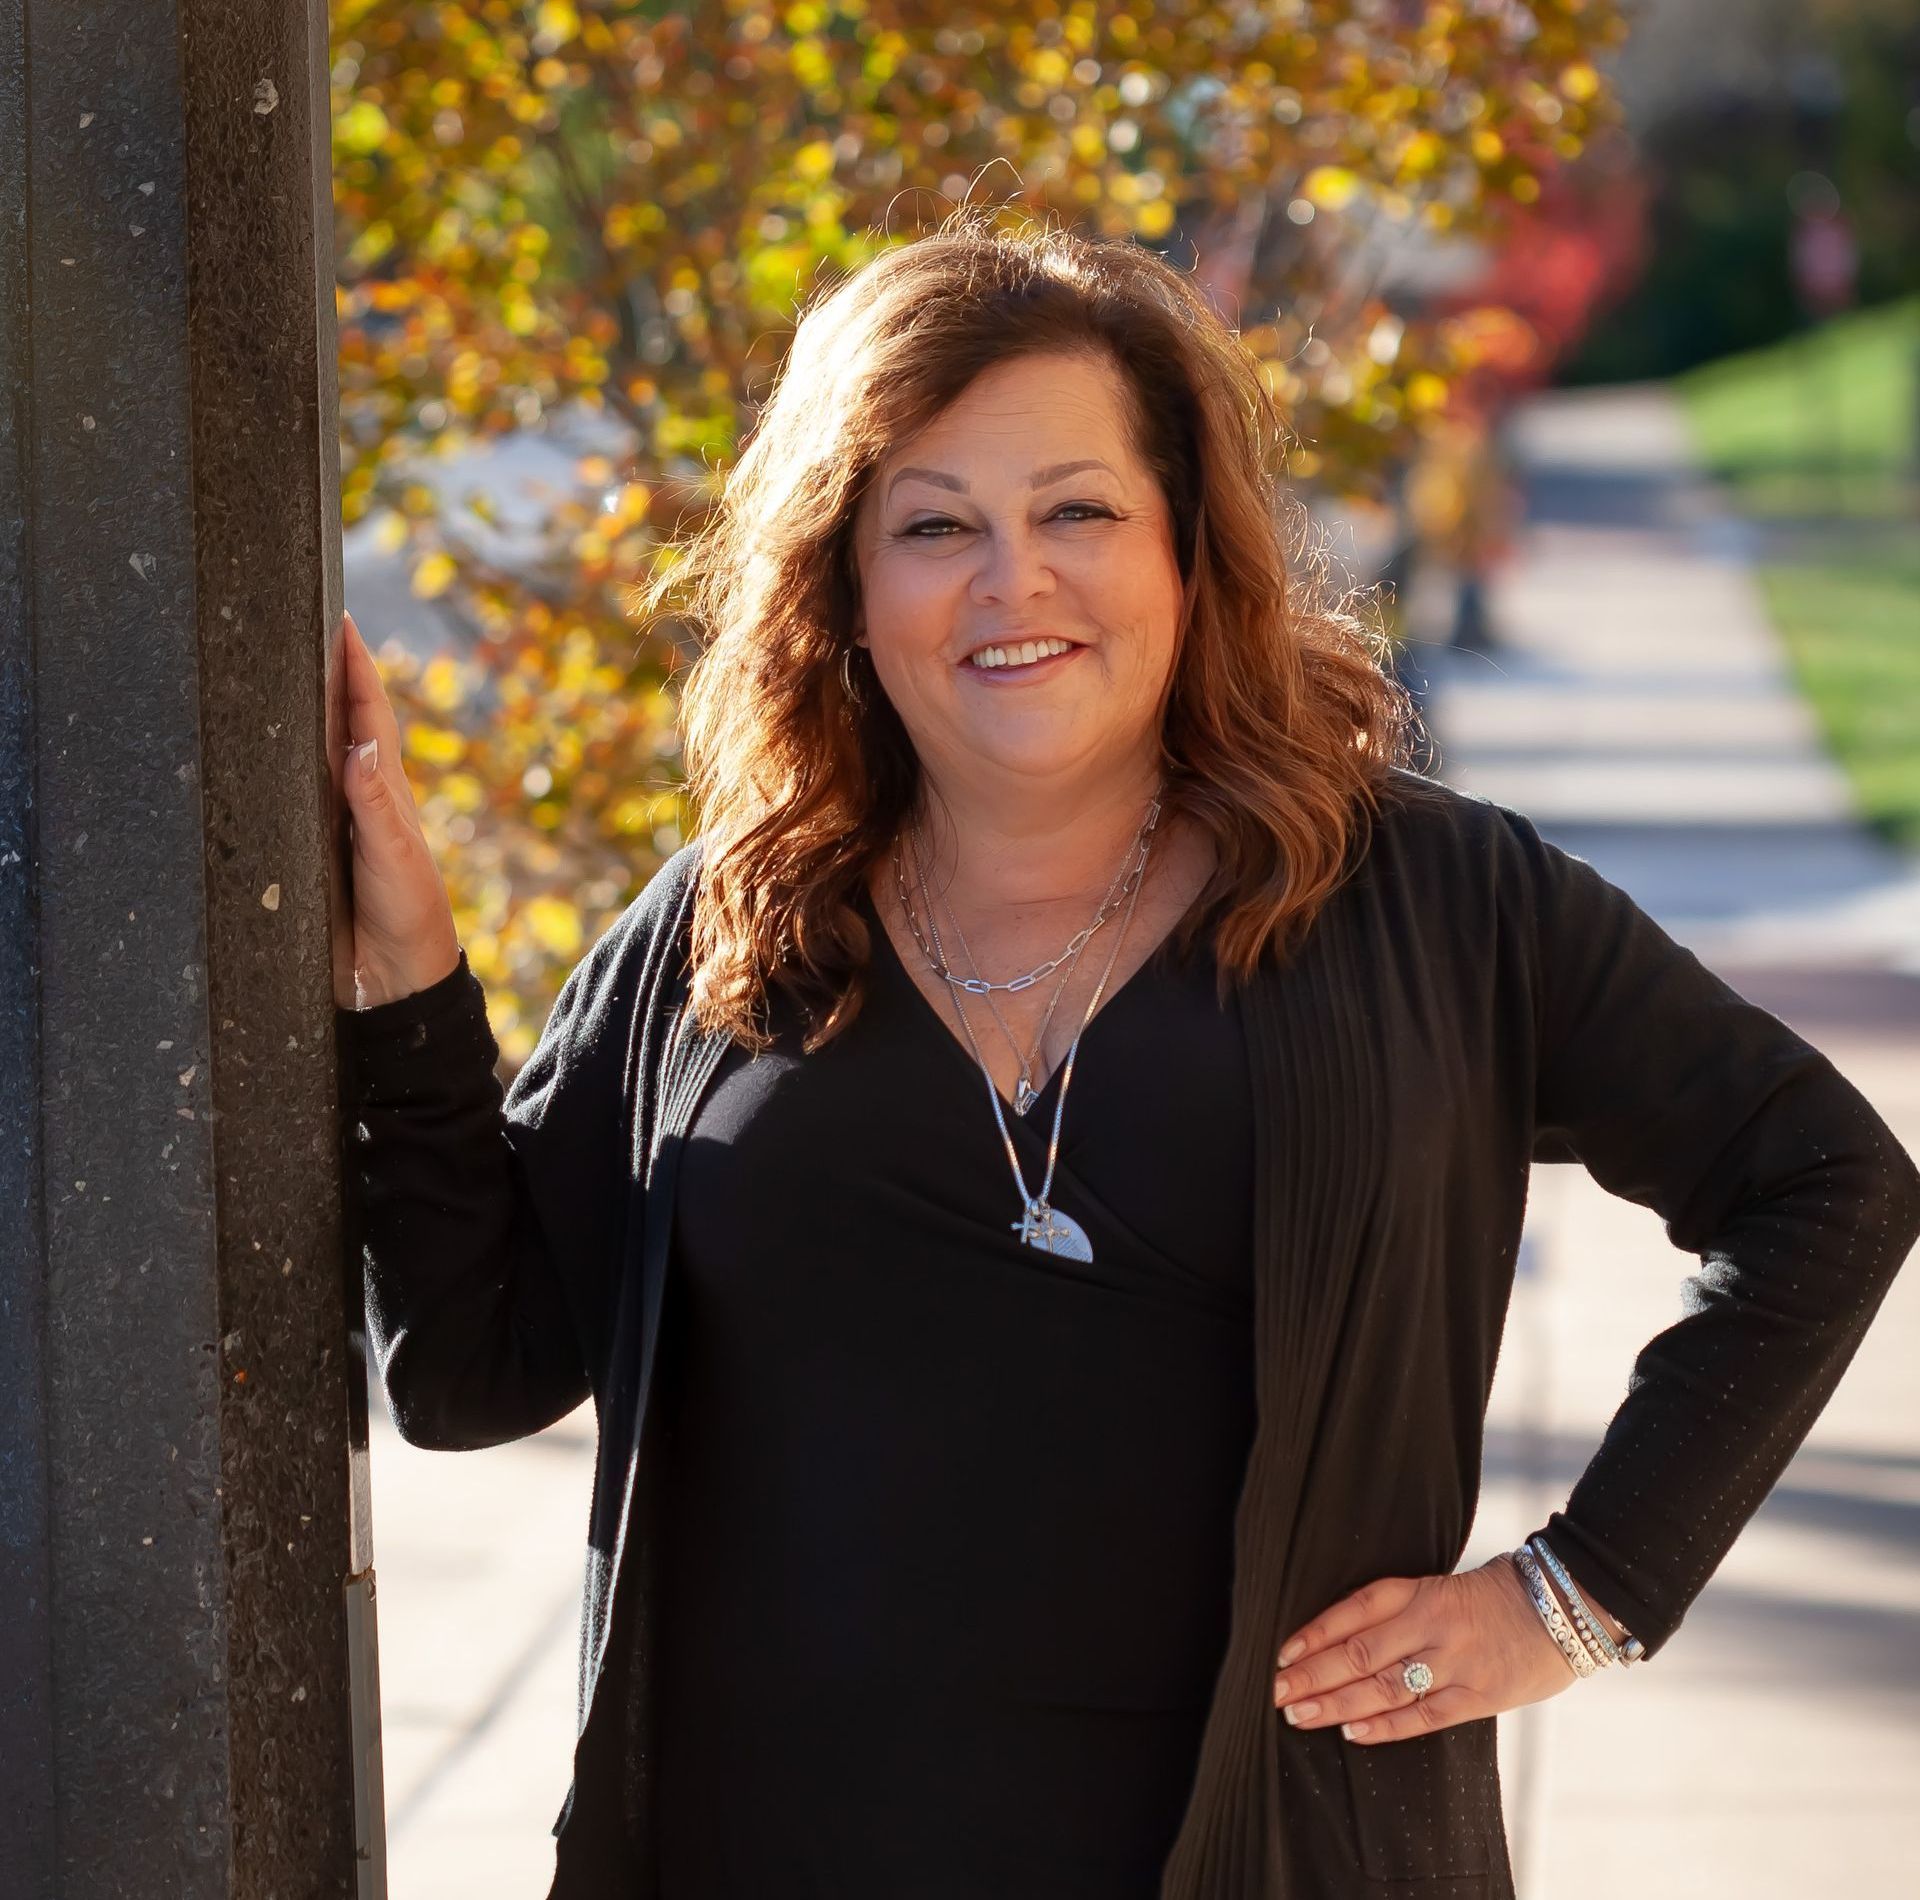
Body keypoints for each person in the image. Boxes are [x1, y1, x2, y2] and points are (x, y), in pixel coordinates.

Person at [332, 214, 1920, 1899]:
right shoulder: (727, 936)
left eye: (1076, 509)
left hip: (1275, 1856)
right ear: (845, 593)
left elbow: (1823, 1182)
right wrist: (411, 986)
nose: (1011, 579)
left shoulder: (1436, 906)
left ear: (1187, 550)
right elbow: (474, 1362)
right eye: (933, 525)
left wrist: (1583, 1593)